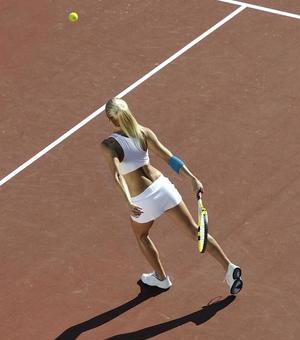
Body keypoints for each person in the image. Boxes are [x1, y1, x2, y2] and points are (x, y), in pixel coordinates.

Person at [101, 96, 242, 294]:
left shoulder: (109, 145)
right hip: (163, 187)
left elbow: (117, 175)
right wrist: (192, 178)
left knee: (141, 236)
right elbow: (169, 157)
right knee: (195, 231)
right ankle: (229, 267)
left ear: (110, 119)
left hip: (142, 199)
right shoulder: (144, 133)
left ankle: (160, 278)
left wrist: (127, 201)